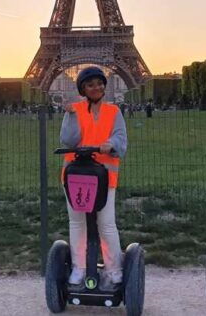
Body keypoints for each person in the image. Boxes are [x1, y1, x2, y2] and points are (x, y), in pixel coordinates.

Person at [60, 66, 127, 288]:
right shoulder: (74, 110)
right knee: (77, 223)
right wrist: (70, 115)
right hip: (77, 176)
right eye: (90, 84)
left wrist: (112, 144)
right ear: (83, 89)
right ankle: (79, 268)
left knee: (106, 223)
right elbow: (68, 141)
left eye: (99, 83)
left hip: (105, 176)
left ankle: (114, 269)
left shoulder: (113, 111)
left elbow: (121, 139)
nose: (96, 87)